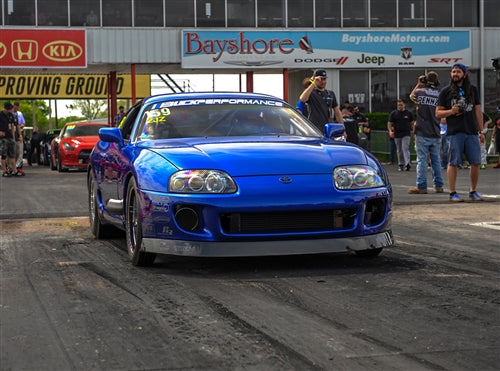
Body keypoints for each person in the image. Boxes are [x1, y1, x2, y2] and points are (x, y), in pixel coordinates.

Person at [436, 63, 485, 202]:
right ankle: (452, 193)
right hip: (454, 132)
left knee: (476, 162)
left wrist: (481, 131)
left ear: (465, 74)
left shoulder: (473, 90)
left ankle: (473, 191)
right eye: (453, 72)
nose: (454, 74)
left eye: (458, 72)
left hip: (471, 131)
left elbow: (477, 111)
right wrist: (451, 111)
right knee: (453, 162)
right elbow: (438, 113)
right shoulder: (445, 91)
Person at [407, 71, 444, 194]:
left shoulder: (420, 92)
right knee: (436, 160)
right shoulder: (440, 95)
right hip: (436, 130)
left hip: (422, 130)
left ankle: (421, 186)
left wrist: (418, 84)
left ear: (425, 81)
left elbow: (411, 96)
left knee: (422, 160)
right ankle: (439, 186)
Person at [387, 99, 414, 171]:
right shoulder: (394, 114)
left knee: (405, 148)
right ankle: (401, 163)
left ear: (404, 105)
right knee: (399, 150)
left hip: (406, 133)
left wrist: (414, 132)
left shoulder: (408, 113)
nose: (400, 106)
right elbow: (389, 123)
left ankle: (407, 163)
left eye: (401, 105)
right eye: (398, 105)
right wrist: (390, 131)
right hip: (397, 134)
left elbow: (412, 123)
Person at [0, 102, 21, 177]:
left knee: (12, 154)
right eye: (8, 108)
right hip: (3, 138)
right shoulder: (1, 115)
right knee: (4, 155)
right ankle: (5, 171)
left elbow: (12, 126)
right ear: (4, 108)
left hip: (10, 137)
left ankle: (14, 170)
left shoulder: (11, 115)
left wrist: (13, 137)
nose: (9, 110)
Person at [12, 101, 26, 175]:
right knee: (13, 152)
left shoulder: (19, 114)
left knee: (20, 151)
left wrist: (21, 126)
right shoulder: (9, 114)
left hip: (19, 133)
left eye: (17, 107)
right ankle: (12, 167)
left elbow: (23, 123)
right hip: (11, 134)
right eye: (15, 107)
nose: (16, 109)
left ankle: (18, 166)